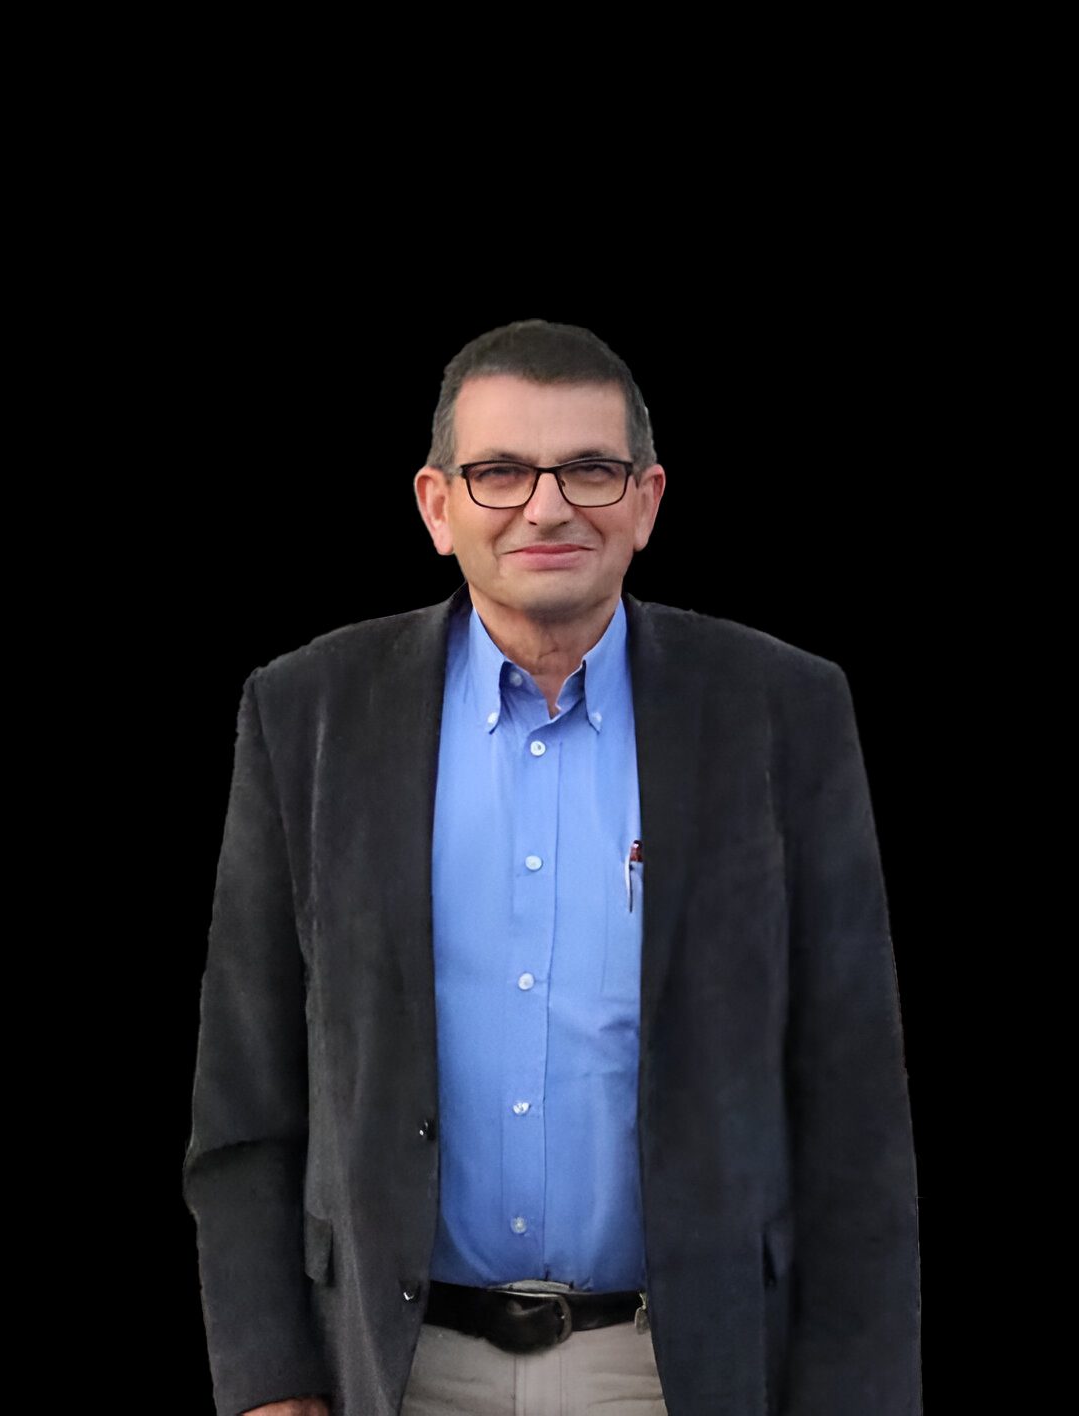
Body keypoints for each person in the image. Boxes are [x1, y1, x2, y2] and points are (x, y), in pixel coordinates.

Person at [184, 319, 921, 1416]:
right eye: (500, 472)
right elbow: (244, 1093)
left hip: (681, 1372)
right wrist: (267, 1384)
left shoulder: (782, 715)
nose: (546, 506)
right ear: (437, 506)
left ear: (646, 500)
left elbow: (854, 1104)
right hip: (394, 1371)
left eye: (589, 468)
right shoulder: (309, 716)